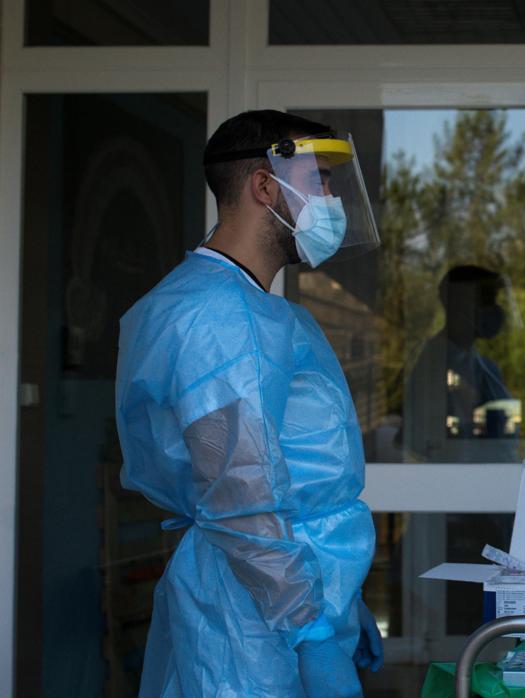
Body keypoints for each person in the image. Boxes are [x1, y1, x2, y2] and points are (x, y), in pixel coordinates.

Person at [115, 110, 384, 697]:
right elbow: (239, 492)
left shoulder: (261, 310)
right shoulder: (214, 316)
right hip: (255, 613)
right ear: (265, 185)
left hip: (291, 592)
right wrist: (311, 630)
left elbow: (302, 467)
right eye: (320, 180)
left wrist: (342, 601)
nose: (332, 199)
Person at [402, 264, 519, 463]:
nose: (495, 310)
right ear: (461, 305)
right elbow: (435, 445)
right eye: (488, 301)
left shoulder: (475, 361)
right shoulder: (436, 363)